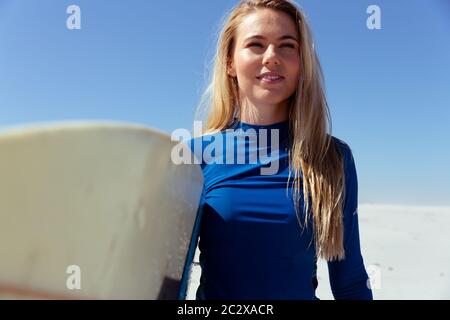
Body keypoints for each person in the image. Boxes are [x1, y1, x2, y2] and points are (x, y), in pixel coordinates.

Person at [180, 0, 373, 300]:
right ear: (230, 62)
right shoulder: (195, 155)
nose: (272, 57)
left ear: (301, 63)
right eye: (256, 45)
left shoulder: (331, 157)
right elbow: (170, 280)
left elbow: (350, 282)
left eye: (287, 46)